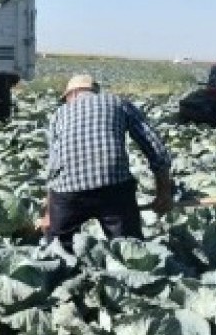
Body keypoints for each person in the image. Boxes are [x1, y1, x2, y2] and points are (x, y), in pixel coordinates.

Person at [40, 74, 174, 250]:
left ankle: (62, 270)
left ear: (70, 94)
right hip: (113, 186)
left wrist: (49, 215)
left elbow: (53, 167)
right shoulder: (118, 103)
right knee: (129, 249)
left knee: (58, 249)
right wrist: (163, 192)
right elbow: (154, 146)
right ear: (95, 92)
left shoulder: (59, 114)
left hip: (68, 191)